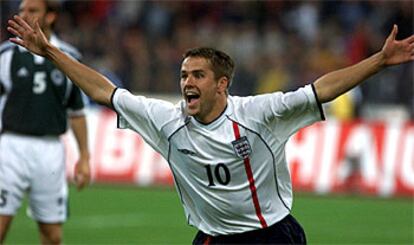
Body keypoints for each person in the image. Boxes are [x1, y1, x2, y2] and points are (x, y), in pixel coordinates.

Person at [7, 13, 414, 244]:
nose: (187, 82)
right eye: (184, 74)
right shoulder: (166, 120)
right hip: (212, 238)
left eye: (198, 75)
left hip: (270, 236)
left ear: (222, 84)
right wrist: (49, 51)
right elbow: (103, 90)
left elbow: (321, 89)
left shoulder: (260, 115)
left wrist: (377, 61)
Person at [0, 1, 91, 244]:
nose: (23, 15)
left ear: (50, 17)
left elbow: (77, 111)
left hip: (50, 150)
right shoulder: (5, 55)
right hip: (10, 147)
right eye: (21, 10)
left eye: (32, 11)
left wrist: (84, 157)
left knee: (52, 235)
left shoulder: (69, 57)